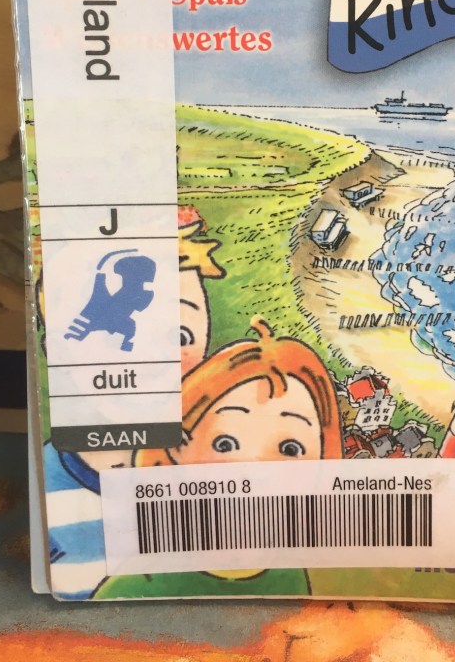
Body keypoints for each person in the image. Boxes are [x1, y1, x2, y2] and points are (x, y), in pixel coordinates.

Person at [94, 316, 342, 598]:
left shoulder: (289, 571)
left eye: (290, 449)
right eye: (225, 444)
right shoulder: (141, 579)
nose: (255, 468)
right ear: (178, 448)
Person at [43, 217, 223, 600]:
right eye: (113, 331)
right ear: (56, 349)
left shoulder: (217, 463)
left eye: (179, 335)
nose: (152, 358)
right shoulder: (50, 487)